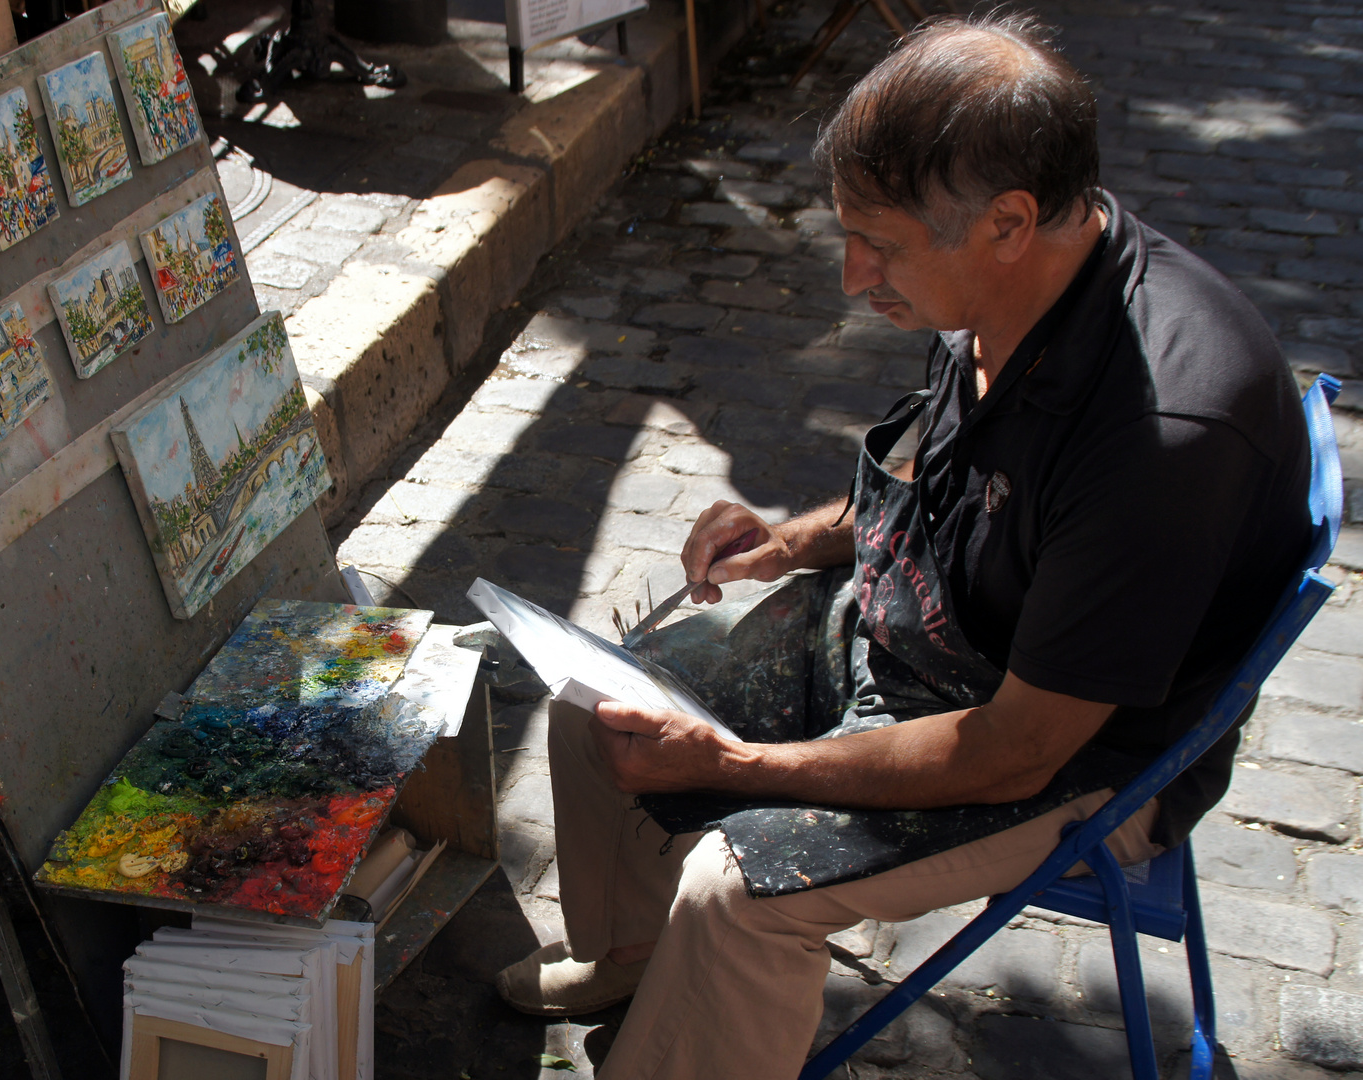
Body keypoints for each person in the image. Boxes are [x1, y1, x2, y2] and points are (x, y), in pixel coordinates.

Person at [492, 12, 1313, 1080]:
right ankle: (636, 958)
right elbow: (942, 478)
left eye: (876, 245)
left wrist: (744, 769)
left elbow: (1016, 747)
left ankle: (694, 1013)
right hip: (928, 627)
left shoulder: (1158, 433)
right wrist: (789, 543)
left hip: (1073, 752)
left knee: (737, 891)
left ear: (1008, 222)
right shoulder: (1006, 279)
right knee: (596, 700)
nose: (847, 277)